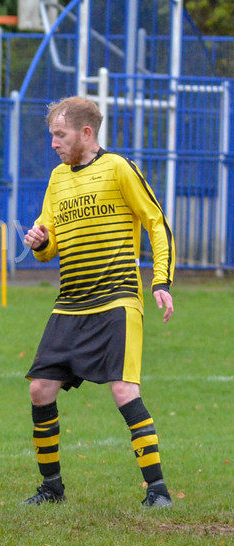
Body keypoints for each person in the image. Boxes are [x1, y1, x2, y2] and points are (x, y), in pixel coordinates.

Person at [21, 95, 175, 509]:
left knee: (123, 390)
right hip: (71, 302)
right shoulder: (57, 178)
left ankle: (158, 491)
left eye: (60, 134)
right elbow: (47, 247)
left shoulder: (119, 168)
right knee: (40, 388)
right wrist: (39, 240)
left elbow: (156, 223)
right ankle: (52, 488)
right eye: (52, 134)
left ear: (86, 132)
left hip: (115, 300)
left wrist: (161, 280)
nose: (53, 143)